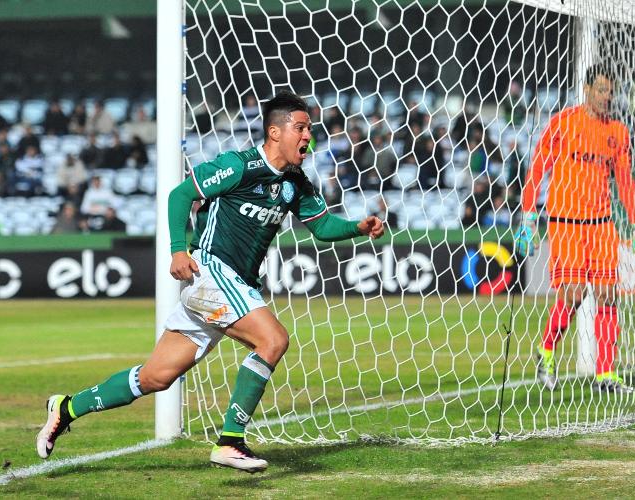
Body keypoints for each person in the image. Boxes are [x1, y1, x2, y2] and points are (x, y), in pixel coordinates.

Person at [37, 91, 384, 472]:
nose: (308, 137)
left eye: (309, 129)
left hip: (232, 285)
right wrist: (177, 250)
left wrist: (357, 226)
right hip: (212, 272)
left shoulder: (295, 182)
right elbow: (181, 194)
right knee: (273, 340)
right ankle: (231, 441)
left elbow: (321, 226)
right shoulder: (239, 165)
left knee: (156, 377)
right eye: (300, 128)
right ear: (275, 132)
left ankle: (66, 408)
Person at [514, 64, 635, 394]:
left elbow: (626, 182)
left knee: (607, 295)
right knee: (574, 295)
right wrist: (529, 217)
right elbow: (537, 169)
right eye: (601, 89)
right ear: (586, 89)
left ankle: (605, 373)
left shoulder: (617, 131)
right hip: (566, 222)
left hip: (602, 224)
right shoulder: (562, 122)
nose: (607, 96)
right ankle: (546, 351)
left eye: (611, 91)